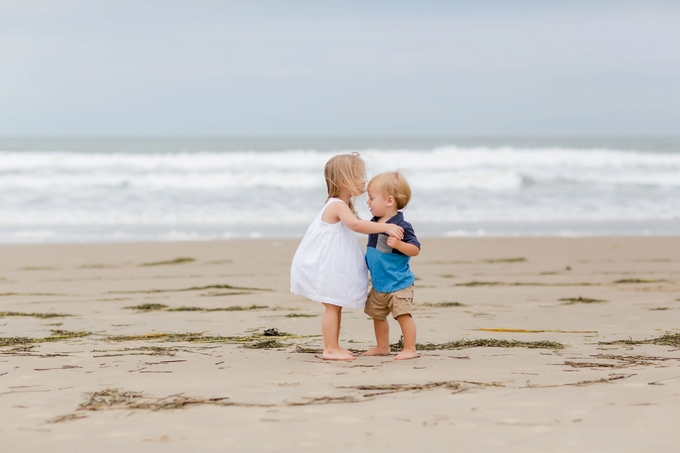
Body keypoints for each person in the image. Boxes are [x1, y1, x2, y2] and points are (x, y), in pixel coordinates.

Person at [290, 153, 404, 361]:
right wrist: (386, 226)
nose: (364, 181)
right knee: (332, 306)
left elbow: (358, 223)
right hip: (325, 264)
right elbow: (357, 225)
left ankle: (333, 345)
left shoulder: (342, 205)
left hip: (330, 263)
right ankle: (330, 348)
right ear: (344, 180)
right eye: (360, 176)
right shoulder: (337, 205)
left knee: (335, 305)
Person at [362, 171, 421, 360]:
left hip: (398, 283)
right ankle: (382, 346)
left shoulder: (401, 225)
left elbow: (415, 249)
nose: (367, 202)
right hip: (379, 284)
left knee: (403, 315)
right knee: (377, 316)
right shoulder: (375, 223)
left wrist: (399, 245)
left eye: (371, 198)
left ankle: (410, 348)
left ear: (389, 201)